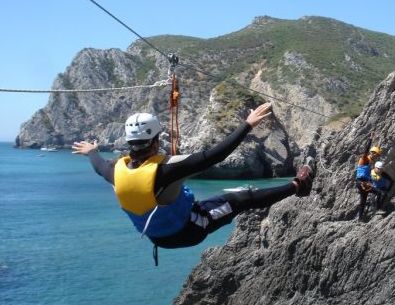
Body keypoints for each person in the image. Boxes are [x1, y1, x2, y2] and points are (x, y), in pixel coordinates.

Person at [72, 102, 315, 264]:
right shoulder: (165, 170)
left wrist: (92, 151)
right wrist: (248, 124)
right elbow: (213, 156)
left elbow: (98, 166)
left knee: (217, 202)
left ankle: (294, 187)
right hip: (188, 231)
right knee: (241, 199)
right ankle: (298, 186)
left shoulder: (116, 172)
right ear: (155, 142)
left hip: (158, 237)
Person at [355, 132, 380, 220]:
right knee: (379, 192)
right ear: (373, 153)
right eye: (376, 155)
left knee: (363, 201)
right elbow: (366, 150)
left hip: (363, 183)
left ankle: (360, 219)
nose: (377, 157)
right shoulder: (365, 159)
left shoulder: (370, 163)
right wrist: (370, 139)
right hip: (362, 183)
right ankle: (377, 211)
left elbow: (368, 175)